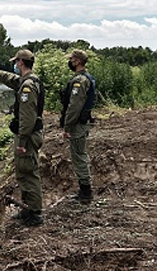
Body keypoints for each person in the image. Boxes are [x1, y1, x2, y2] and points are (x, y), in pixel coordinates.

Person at [0, 49, 45, 226]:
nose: (14, 64)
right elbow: (7, 77)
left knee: (29, 173)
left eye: (16, 61)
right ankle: (27, 209)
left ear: (20, 62)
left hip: (27, 137)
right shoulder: (26, 80)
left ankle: (35, 214)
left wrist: (21, 142)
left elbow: (27, 119)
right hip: (28, 136)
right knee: (23, 172)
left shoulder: (28, 86)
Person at [60, 49, 96, 203]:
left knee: (79, 157)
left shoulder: (80, 81)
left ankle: (86, 192)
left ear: (78, 61)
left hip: (77, 125)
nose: (70, 62)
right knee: (79, 156)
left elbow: (74, 106)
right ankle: (84, 190)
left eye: (72, 59)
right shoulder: (83, 78)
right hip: (80, 123)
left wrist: (67, 127)